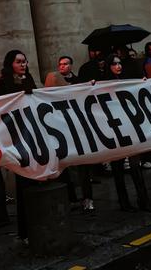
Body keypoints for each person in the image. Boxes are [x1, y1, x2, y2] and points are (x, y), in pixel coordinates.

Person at [104, 55, 151, 213]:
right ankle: (124, 202)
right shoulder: (103, 83)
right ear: (108, 66)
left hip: (129, 126)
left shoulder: (126, 80)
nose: (118, 66)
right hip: (115, 129)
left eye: (119, 63)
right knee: (118, 168)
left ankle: (143, 200)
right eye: (114, 64)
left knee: (135, 166)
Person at [0, 50, 37, 240]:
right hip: (16, 136)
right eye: (19, 62)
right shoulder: (3, 82)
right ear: (10, 64)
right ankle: (26, 231)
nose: (23, 65)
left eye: (24, 61)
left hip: (32, 133)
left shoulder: (29, 79)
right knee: (23, 182)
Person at [44, 56, 94, 212]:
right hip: (62, 128)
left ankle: (87, 197)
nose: (62, 66)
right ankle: (71, 198)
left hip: (78, 127)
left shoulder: (78, 81)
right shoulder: (53, 79)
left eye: (65, 64)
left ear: (71, 65)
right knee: (64, 166)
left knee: (83, 165)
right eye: (60, 64)